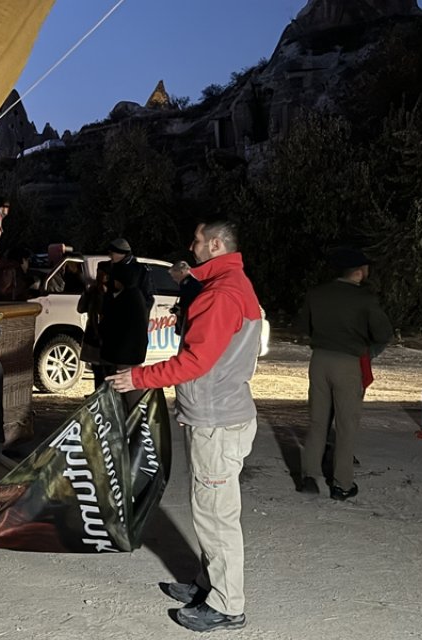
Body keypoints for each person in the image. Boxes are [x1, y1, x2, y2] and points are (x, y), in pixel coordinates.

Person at [108, 220, 262, 633]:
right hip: (218, 414)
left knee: (216, 516)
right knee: (211, 511)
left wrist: (136, 378)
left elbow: (196, 362)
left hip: (217, 420)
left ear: (214, 244)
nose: (190, 246)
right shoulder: (229, 282)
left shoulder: (222, 293)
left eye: (196, 241)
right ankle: (209, 584)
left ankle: (228, 604)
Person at [294, 247, 393, 499]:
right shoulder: (365, 299)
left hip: (319, 360)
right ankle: (342, 484)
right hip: (348, 363)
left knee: (318, 421)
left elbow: (302, 326)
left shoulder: (317, 294)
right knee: (346, 425)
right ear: (359, 273)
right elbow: (383, 333)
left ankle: (309, 476)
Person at [99, 261, 150, 411]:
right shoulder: (134, 296)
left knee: (129, 390)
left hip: (125, 353)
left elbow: (112, 323)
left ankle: (134, 421)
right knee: (127, 390)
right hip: (130, 352)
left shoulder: (127, 298)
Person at [106, 237, 156, 306]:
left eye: (111, 253)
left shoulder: (140, 270)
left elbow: (147, 296)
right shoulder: (112, 268)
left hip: (133, 312)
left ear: (121, 253)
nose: (109, 256)